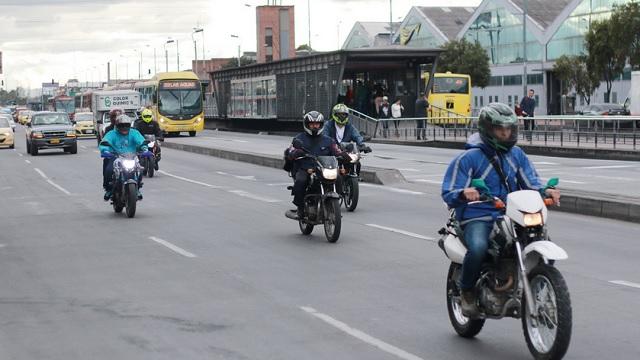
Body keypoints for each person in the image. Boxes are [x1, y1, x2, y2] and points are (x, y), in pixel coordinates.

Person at [441, 103, 560, 317]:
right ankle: (467, 292)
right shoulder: (469, 158)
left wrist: (546, 191)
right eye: (500, 129)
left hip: (511, 213)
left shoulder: (517, 155)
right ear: (488, 129)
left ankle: (536, 284)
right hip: (479, 214)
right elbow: (449, 190)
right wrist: (464, 192)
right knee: (478, 248)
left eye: (508, 129)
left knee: (542, 238)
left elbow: (530, 182)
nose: (505, 133)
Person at [286, 111, 347, 218]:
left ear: (321, 124)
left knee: (338, 177)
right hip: (306, 168)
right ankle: (300, 209)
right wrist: (296, 153)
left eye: (317, 124)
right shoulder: (299, 139)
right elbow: (290, 152)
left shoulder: (328, 140)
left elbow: (336, 151)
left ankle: (337, 201)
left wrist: (345, 155)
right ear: (307, 124)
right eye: (312, 124)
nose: (315, 126)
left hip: (323, 169)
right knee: (301, 181)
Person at [99, 114, 149, 201]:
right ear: (117, 126)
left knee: (139, 169)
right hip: (115, 157)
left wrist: (145, 149)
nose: (124, 127)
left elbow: (141, 141)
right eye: (122, 125)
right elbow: (105, 142)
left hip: (132, 157)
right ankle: (109, 189)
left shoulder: (134, 133)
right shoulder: (112, 134)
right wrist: (106, 151)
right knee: (109, 169)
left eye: (126, 125)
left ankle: (137, 188)